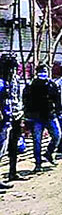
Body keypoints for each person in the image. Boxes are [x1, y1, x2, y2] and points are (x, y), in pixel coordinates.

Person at [22, 64, 62, 172]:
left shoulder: (52, 85)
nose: (43, 73)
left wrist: (58, 111)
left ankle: (49, 153)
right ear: (37, 73)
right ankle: (38, 164)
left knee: (57, 136)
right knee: (37, 141)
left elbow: (57, 100)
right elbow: (25, 101)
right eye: (41, 71)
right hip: (36, 117)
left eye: (45, 71)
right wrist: (27, 116)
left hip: (50, 115)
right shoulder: (31, 85)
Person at [0, 54, 25, 186]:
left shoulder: (15, 79)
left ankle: (12, 172)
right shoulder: (1, 81)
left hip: (15, 116)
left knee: (13, 147)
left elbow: (18, 97)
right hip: (3, 120)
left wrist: (21, 113)